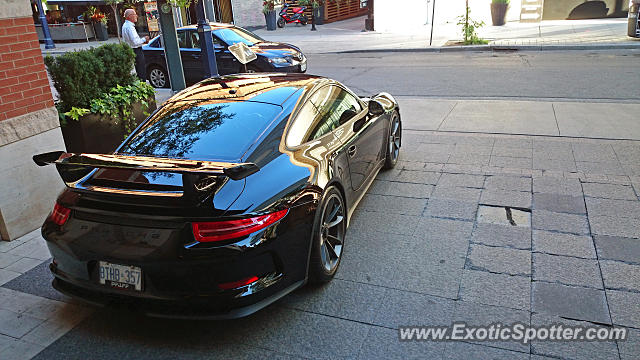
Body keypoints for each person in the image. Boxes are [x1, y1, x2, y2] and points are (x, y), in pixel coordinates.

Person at [122, 9, 149, 81]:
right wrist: (144, 39)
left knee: (139, 70)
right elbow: (135, 42)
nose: (136, 16)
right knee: (141, 71)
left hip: (132, 49)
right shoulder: (129, 27)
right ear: (130, 16)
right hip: (136, 50)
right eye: (134, 14)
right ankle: (142, 85)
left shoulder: (126, 25)